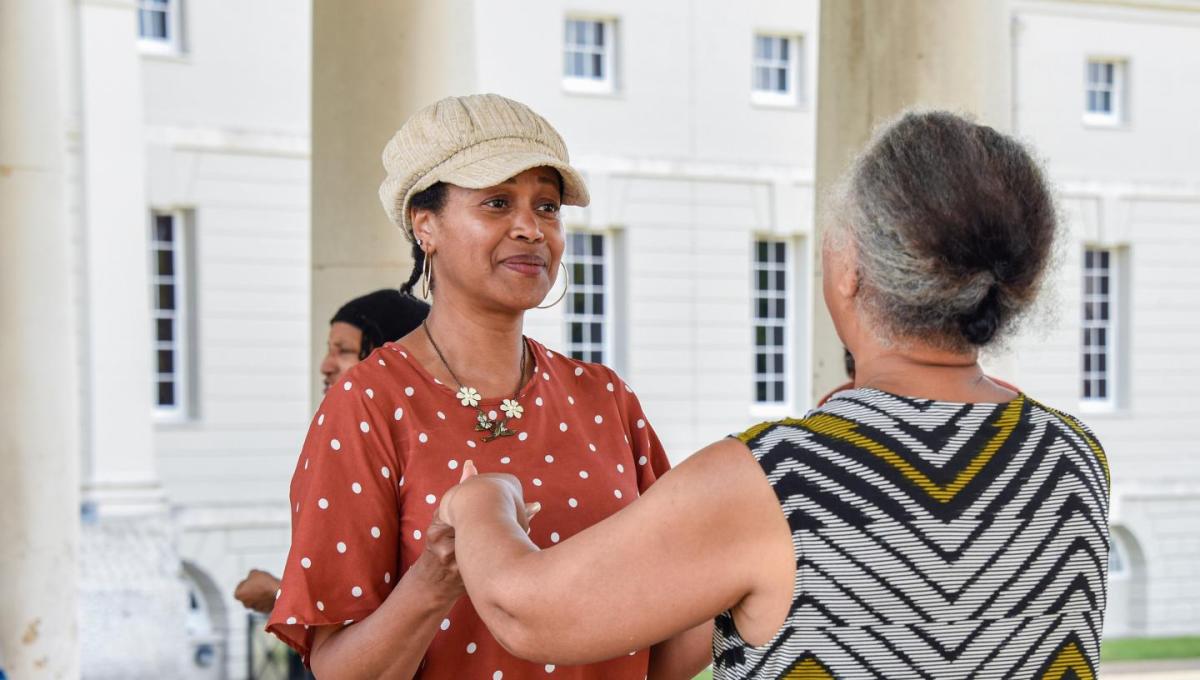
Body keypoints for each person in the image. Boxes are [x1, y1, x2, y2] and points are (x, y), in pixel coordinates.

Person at [437, 111, 1112, 678]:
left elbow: (527, 611)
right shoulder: (1076, 458)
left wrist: (482, 505)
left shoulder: (779, 478)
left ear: (851, 267)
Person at [267, 94, 708, 679]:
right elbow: (340, 671)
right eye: (497, 203)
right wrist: (435, 579)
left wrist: (759, 553)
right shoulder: (370, 403)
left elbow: (667, 647)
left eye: (547, 207)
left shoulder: (605, 400)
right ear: (426, 226)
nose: (530, 228)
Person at [234, 289, 430, 614]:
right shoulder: (368, 437)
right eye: (329, 350)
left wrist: (279, 595)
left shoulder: (402, 448)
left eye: (344, 351)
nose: (326, 365)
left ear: (388, 357)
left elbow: (369, 597)